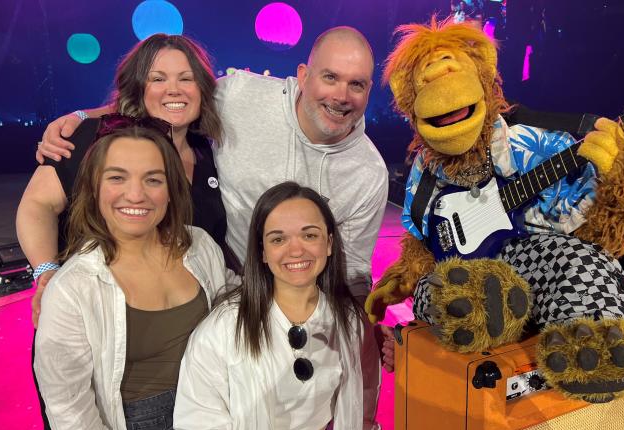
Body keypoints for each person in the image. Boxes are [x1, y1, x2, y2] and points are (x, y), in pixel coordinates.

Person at [37, 26, 389, 301]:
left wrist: (358, 331)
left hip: (295, 303)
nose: (341, 96)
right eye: (330, 77)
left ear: (370, 89)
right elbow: (167, 99)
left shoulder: (368, 173)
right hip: (224, 298)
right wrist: (84, 116)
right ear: (303, 75)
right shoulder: (240, 96)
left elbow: (353, 274)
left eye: (356, 84)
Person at [17, 33, 237, 430]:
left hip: (184, 373)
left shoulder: (206, 153)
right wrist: (47, 272)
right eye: (157, 79)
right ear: (137, 88)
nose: (173, 89)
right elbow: (36, 206)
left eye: (186, 79)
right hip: (103, 337)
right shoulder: (93, 139)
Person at [173, 181, 381, 430]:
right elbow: (204, 418)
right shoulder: (225, 326)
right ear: (262, 251)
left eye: (309, 235)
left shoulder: (348, 320)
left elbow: (363, 395)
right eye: (278, 239)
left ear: (328, 243)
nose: (296, 250)